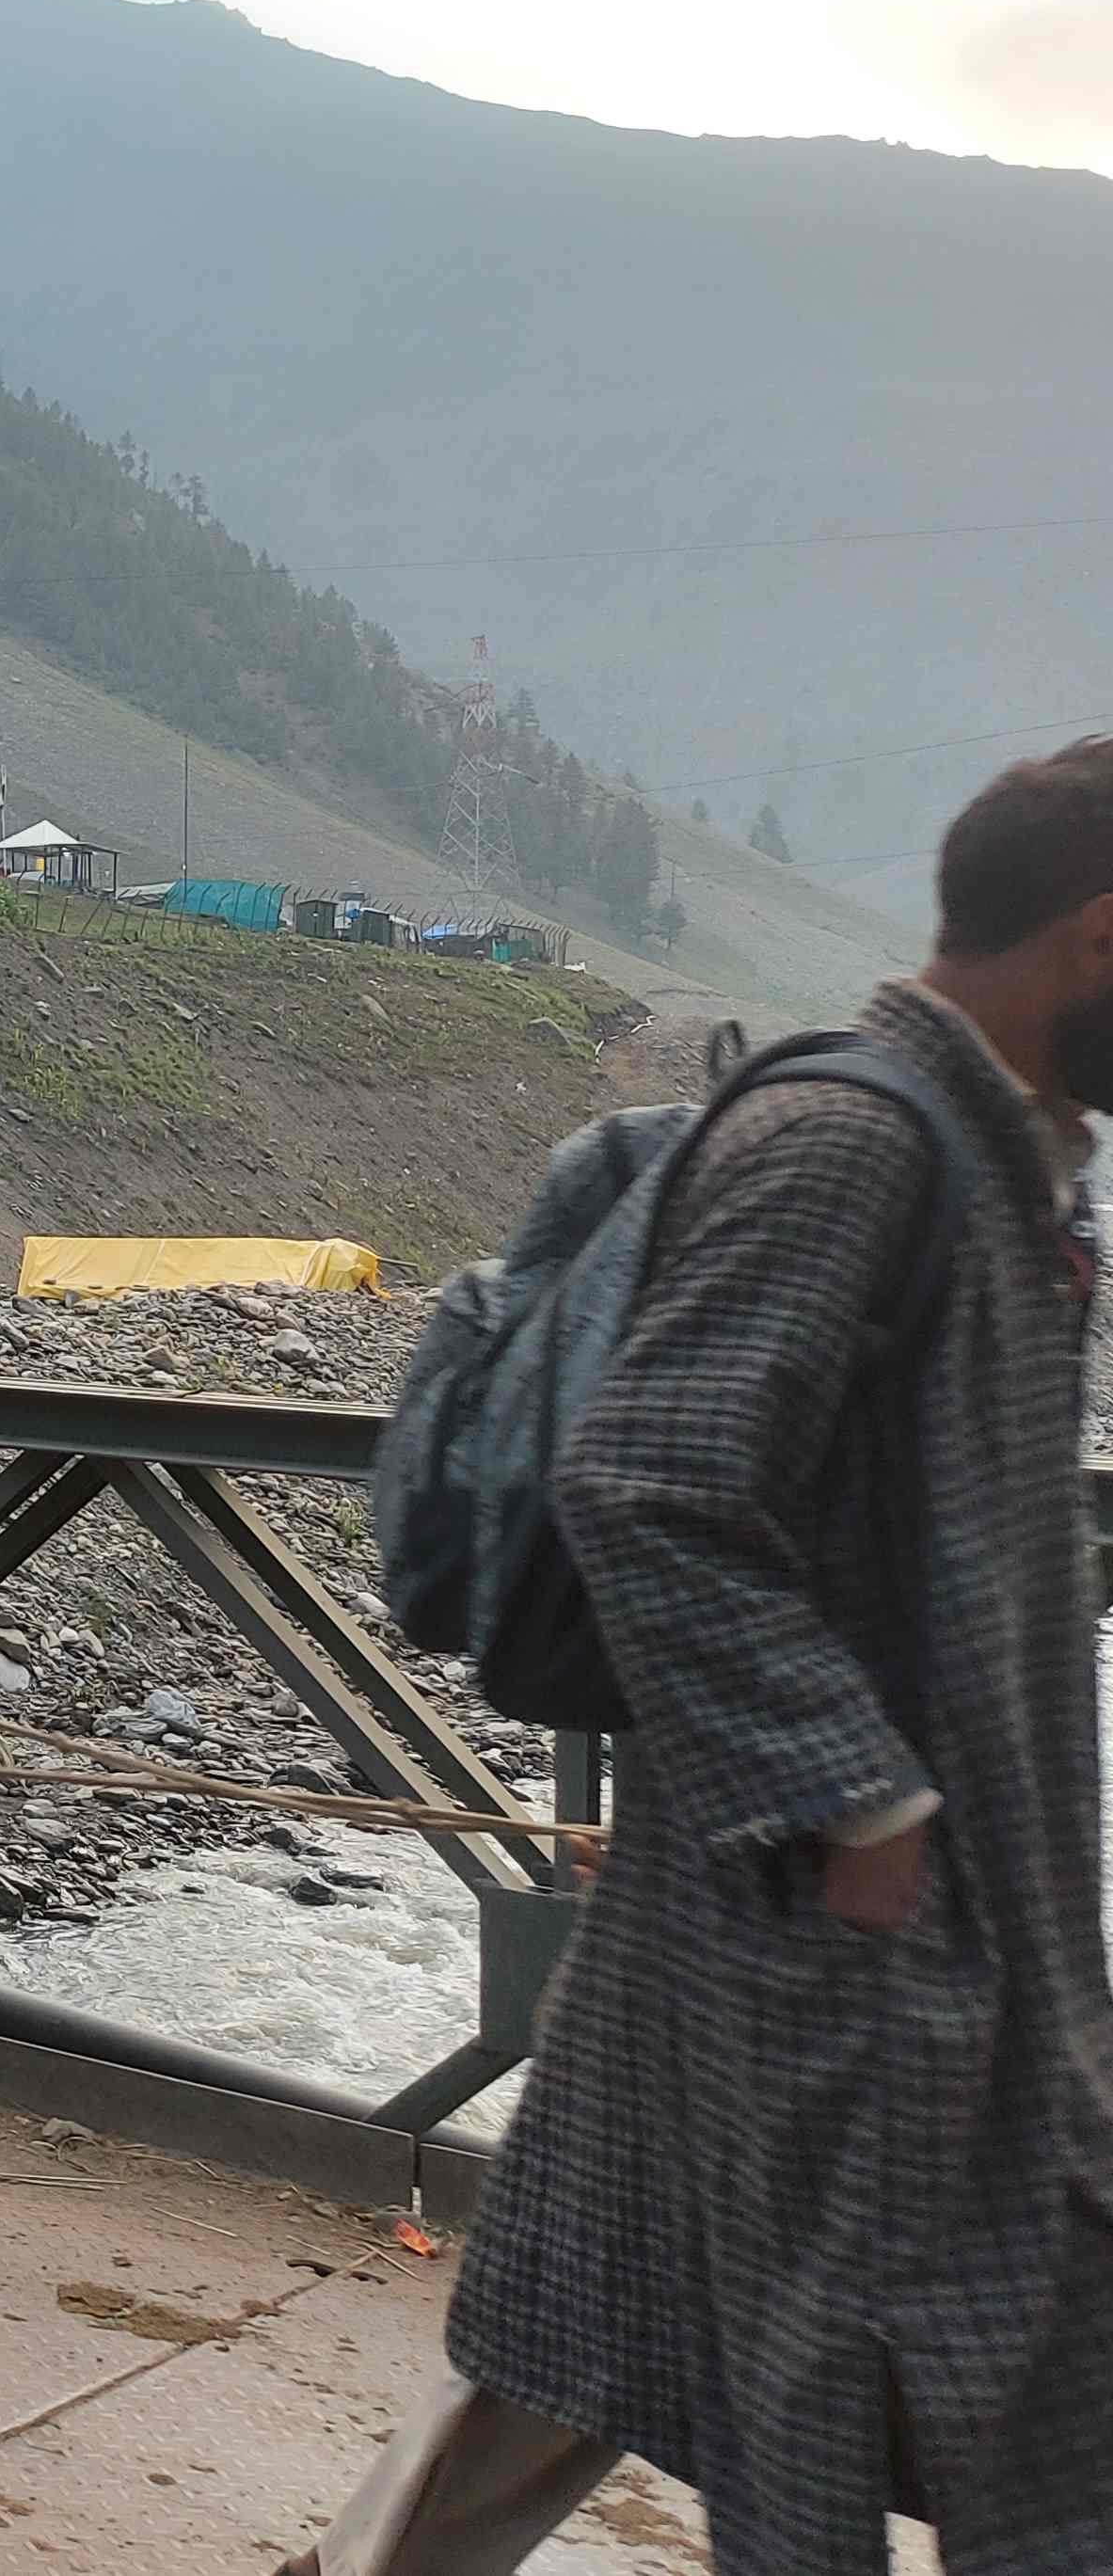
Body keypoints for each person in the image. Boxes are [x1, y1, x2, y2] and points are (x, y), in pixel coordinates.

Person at [288, 739, 1113, 2576]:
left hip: (866, 1938)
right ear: (1094, 937)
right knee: (822, 2366)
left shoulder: (993, 1165)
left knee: (610, 2334)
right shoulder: (855, 1143)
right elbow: (647, 1478)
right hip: (831, 1940)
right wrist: (858, 1800)